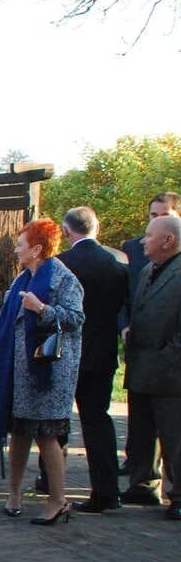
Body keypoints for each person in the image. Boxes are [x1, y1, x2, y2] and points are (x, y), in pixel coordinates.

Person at [0, 218, 85, 525]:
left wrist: (43, 310)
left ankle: (58, 500)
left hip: (48, 373)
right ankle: (14, 494)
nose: (15, 250)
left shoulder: (64, 279)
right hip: (17, 370)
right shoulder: (22, 278)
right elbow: (5, 316)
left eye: (20, 245)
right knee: (20, 433)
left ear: (37, 249)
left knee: (47, 435)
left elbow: (77, 318)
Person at [57, 207, 129, 514]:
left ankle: (51, 482)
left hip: (66, 352)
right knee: (98, 421)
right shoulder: (119, 264)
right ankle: (107, 491)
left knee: (57, 419)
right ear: (96, 227)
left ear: (67, 230)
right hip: (102, 352)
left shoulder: (62, 263)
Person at [121, 214, 181, 519]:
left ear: (168, 241)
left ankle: (179, 496)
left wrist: (170, 356)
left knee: (174, 435)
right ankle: (142, 485)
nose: (143, 241)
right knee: (140, 431)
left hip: (171, 373)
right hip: (141, 366)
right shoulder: (147, 270)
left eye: (149, 235)